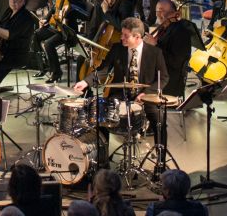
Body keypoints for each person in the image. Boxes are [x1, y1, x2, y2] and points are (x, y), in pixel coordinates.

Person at [72, 18, 170, 151]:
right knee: (101, 115)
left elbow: (163, 78)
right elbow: (103, 70)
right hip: (121, 94)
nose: (121, 38)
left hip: (146, 96)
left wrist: (146, 94)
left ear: (137, 36)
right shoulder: (117, 49)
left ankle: (161, 159)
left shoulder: (155, 52)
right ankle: (103, 158)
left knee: (160, 121)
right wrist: (85, 82)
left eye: (125, 35)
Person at [38, 0, 85, 82]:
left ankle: (56, 72)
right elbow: (54, 7)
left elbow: (81, 11)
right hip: (56, 24)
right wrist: (46, 19)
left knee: (48, 44)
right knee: (36, 34)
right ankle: (43, 66)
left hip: (67, 28)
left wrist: (71, 0)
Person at [145, 0, 199, 97]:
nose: (158, 14)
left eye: (162, 11)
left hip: (169, 80)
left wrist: (155, 45)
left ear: (174, 13)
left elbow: (175, 62)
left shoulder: (181, 32)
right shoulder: (164, 28)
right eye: (157, 11)